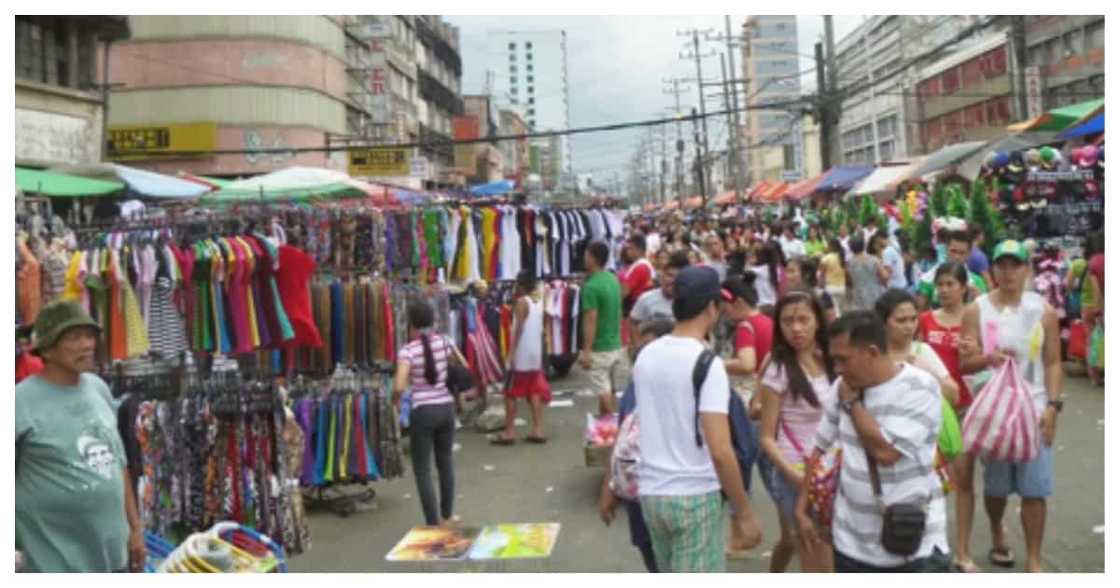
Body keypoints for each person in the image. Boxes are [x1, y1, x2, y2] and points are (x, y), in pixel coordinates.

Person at [796, 311, 950, 572]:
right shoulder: (842, 386)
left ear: (872, 352)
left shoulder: (920, 387)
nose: (837, 370)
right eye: (834, 361)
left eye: (843, 360)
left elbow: (886, 452)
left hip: (913, 546)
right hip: (850, 545)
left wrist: (853, 403)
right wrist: (802, 508)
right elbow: (820, 448)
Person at [634, 266, 764, 572]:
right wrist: (743, 511)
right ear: (711, 308)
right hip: (694, 497)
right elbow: (720, 450)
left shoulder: (646, 355)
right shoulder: (707, 363)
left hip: (652, 494)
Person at [16, 300, 146, 572]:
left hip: (113, 556)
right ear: (48, 349)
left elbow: (118, 463)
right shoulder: (19, 402)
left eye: (89, 335)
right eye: (74, 338)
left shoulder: (98, 388)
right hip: (55, 562)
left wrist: (135, 529)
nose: (87, 344)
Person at [959, 240, 1063, 573]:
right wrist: (989, 357)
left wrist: (1052, 406)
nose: (1008, 273)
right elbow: (965, 363)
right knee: (997, 487)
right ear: (993, 269)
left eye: (1015, 265)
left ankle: (1034, 556)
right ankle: (996, 530)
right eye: (1001, 265)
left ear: (1026, 269)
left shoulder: (1042, 310)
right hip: (995, 413)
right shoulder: (977, 309)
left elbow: (1053, 362)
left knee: (1034, 489)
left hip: (1033, 410)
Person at [756, 290, 835, 572]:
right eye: (788, 321)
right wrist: (795, 476)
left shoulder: (830, 360)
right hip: (798, 474)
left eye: (803, 319)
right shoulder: (778, 368)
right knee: (816, 560)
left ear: (818, 321)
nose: (796, 328)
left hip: (833, 473)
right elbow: (766, 437)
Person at [599, 318, 677, 573]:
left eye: (651, 347)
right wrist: (609, 488)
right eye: (640, 347)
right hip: (640, 491)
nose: (644, 355)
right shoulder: (635, 387)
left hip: (678, 491)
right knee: (650, 554)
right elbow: (622, 440)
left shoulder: (691, 384)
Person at [393, 299, 465, 527]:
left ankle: (433, 522)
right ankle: (448, 515)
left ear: (411, 324)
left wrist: (395, 404)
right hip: (446, 409)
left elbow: (398, 386)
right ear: (433, 320)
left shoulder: (408, 351)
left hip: (422, 413)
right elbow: (462, 365)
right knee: (445, 462)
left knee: (422, 469)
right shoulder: (444, 342)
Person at [493, 270, 551, 445]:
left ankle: (510, 431)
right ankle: (538, 429)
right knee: (534, 390)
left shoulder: (521, 303)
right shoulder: (538, 300)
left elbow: (517, 330)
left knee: (510, 392)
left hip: (522, 354)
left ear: (521, 285)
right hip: (535, 353)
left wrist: (511, 354)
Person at [875, 289, 960, 406]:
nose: (909, 326)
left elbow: (954, 396)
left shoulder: (922, 352)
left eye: (913, 319)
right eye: (901, 321)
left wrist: (927, 373)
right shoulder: (873, 356)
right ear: (883, 323)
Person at [580, 241, 628, 416]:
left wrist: (586, 350)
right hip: (615, 342)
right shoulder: (612, 279)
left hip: (601, 347)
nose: (584, 258)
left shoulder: (591, 287)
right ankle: (607, 423)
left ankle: (612, 426)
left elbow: (590, 320)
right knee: (610, 386)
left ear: (593, 258)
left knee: (603, 389)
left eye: (586, 255)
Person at [629, 250, 689, 353]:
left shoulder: (687, 302)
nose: (672, 281)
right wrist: (638, 346)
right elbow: (633, 322)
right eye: (669, 275)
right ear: (662, 276)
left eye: (677, 277)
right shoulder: (646, 298)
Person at [916, 230, 989, 310]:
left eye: (962, 253)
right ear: (946, 250)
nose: (957, 257)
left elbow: (985, 312)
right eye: (953, 251)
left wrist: (979, 297)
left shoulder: (977, 282)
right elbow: (920, 310)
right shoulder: (928, 279)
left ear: (968, 254)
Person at [785, 257, 837, 325]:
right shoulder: (787, 297)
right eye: (787, 271)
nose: (787, 276)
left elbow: (832, 323)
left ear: (807, 274)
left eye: (792, 271)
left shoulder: (821, 295)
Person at [1082, 232, 1104, 386]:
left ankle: (1094, 378)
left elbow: (1096, 288)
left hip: (1093, 306)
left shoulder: (1093, 263)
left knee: (1092, 340)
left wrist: (1098, 307)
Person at [620, 233, 657, 317]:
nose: (627, 251)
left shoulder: (640, 267)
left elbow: (622, 293)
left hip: (634, 311)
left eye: (630, 248)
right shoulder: (644, 264)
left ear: (638, 250)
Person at [846, 235, 885, 312]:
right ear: (864, 245)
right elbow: (884, 276)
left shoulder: (849, 263)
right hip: (874, 293)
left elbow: (849, 281)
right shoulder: (874, 259)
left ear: (851, 248)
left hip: (858, 296)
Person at [750, 241, 783, 312]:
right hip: (773, 303)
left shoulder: (757, 270)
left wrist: (751, 262)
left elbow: (745, 274)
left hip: (761, 305)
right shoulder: (777, 269)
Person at [819, 238, 848, 314]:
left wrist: (820, 285)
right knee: (841, 310)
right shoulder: (842, 257)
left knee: (834, 311)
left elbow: (821, 274)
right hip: (842, 287)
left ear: (831, 246)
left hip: (830, 287)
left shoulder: (827, 258)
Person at [967, 224, 993, 290]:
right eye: (983, 235)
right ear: (979, 236)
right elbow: (987, 281)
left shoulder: (964, 251)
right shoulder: (979, 256)